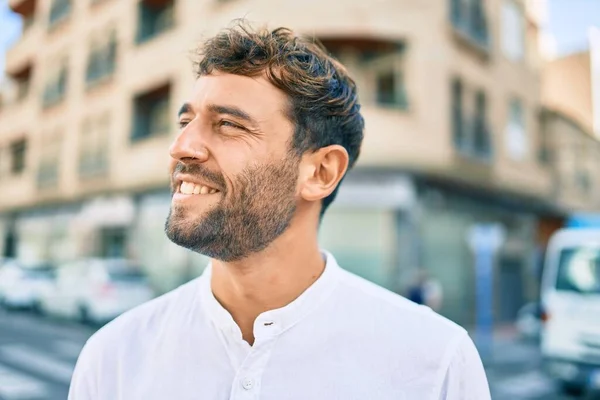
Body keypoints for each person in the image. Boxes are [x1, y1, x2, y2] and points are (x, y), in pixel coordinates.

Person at [69, 21, 490, 400]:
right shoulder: (114, 357)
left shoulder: (435, 364)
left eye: (229, 124)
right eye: (185, 122)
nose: (181, 147)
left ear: (321, 172)